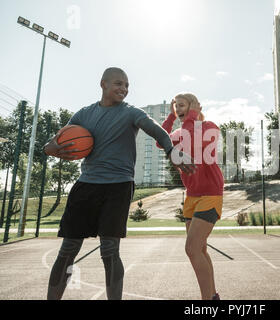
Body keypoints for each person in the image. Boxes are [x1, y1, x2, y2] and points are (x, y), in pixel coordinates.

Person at [44, 67, 195, 300]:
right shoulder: (84, 114)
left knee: (110, 250)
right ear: (103, 84)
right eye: (118, 84)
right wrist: (50, 148)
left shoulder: (131, 113)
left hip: (118, 186)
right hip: (86, 185)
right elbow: (52, 142)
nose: (123, 89)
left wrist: (172, 151)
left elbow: (157, 132)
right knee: (68, 249)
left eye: (126, 85)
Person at [157, 93, 224, 300]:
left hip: (210, 193)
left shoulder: (209, 127)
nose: (178, 109)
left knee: (192, 248)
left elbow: (191, 139)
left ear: (194, 106)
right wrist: (169, 117)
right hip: (192, 195)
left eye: (182, 105)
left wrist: (192, 115)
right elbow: (161, 141)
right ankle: (212, 296)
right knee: (200, 249)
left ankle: (206, 302)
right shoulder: (180, 131)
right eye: (176, 106)